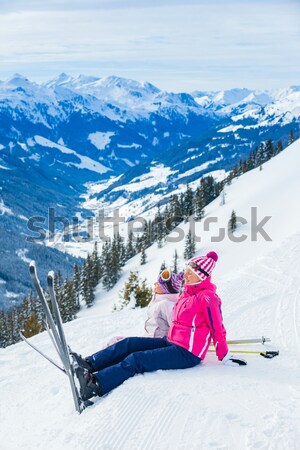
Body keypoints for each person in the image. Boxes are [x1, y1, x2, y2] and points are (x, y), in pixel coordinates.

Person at [73, 251, 247, 401]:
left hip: (187, 353)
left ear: (201, 276)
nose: (185, 276)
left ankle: (95, 385)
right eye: (186, 271)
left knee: (136, 360)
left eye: (189, 273)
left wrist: (224, 355)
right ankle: (89, 364)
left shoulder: (207, 298)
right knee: (130, 343)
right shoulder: (187, 293)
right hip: (172, 341)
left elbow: (217, 329)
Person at [144, 269, 184, 337]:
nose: (155, 283)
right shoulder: (159, 301)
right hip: (149, 339)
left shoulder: (167, 305)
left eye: (158, 283)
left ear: (165, 289)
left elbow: (177, 330)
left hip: (158, 342)